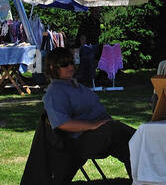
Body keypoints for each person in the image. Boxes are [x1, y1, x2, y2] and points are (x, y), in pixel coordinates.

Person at [42, 47, 135, 175]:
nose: (70, 67)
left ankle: (145, 184)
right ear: (52, 68)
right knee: (121, 132)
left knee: (134, 144)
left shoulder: (75, 85)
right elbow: (62, 123)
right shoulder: (54, 92)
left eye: (71, 63)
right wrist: (92, 126)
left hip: (100, 132)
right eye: (64, 64)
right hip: (80, 141)